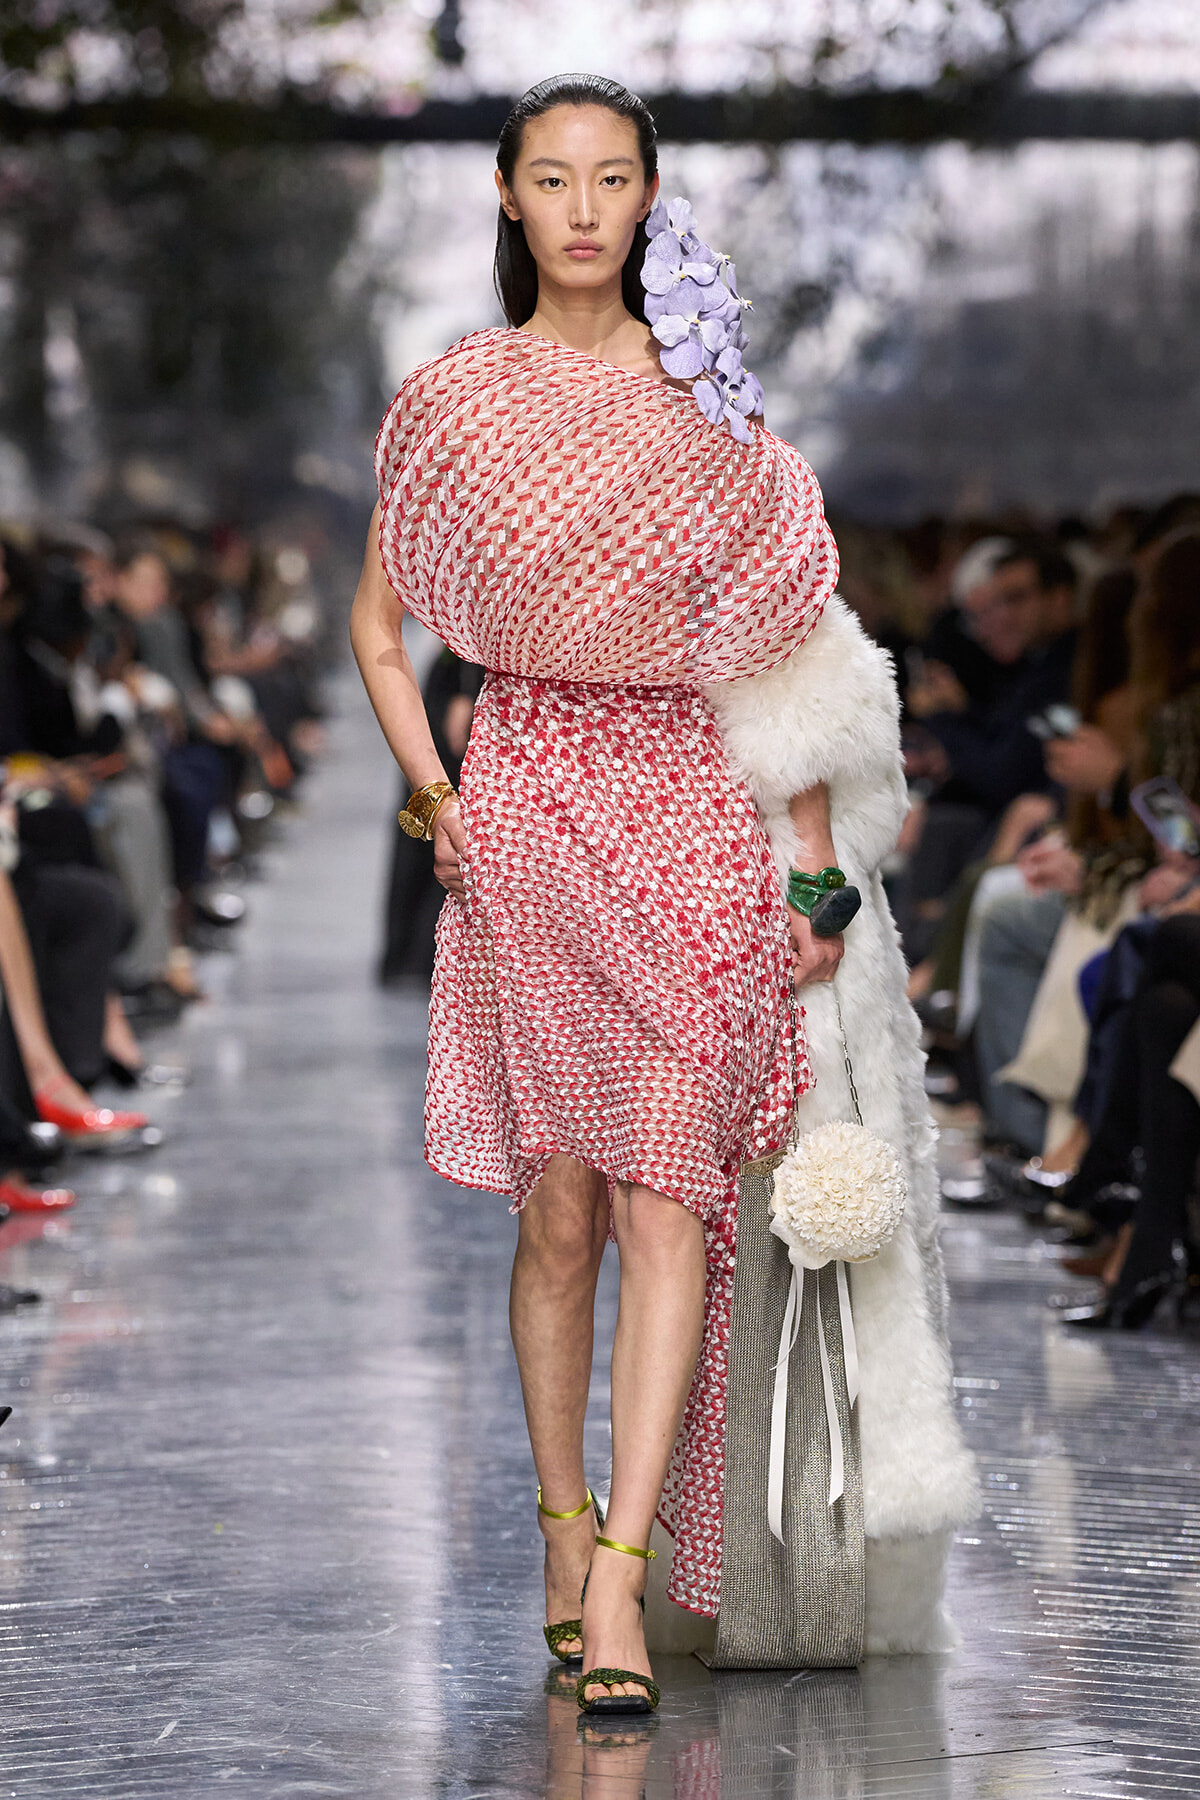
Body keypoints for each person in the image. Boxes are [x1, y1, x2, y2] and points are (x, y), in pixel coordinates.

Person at [351, 75, 975, 1713]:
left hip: (690, 822)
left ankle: (623, 1580)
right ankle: (563, 1529)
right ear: (504, 195)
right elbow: (377, 624)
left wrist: (819, 869)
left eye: (610, 178)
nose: (580, 207)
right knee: (557, 1211)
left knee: (666, 1201)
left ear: (647, 200)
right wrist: (438, 796)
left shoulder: (715, 407)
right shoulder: (459, 401)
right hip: (530, 816)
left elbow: (789, 649)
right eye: (550, 177)